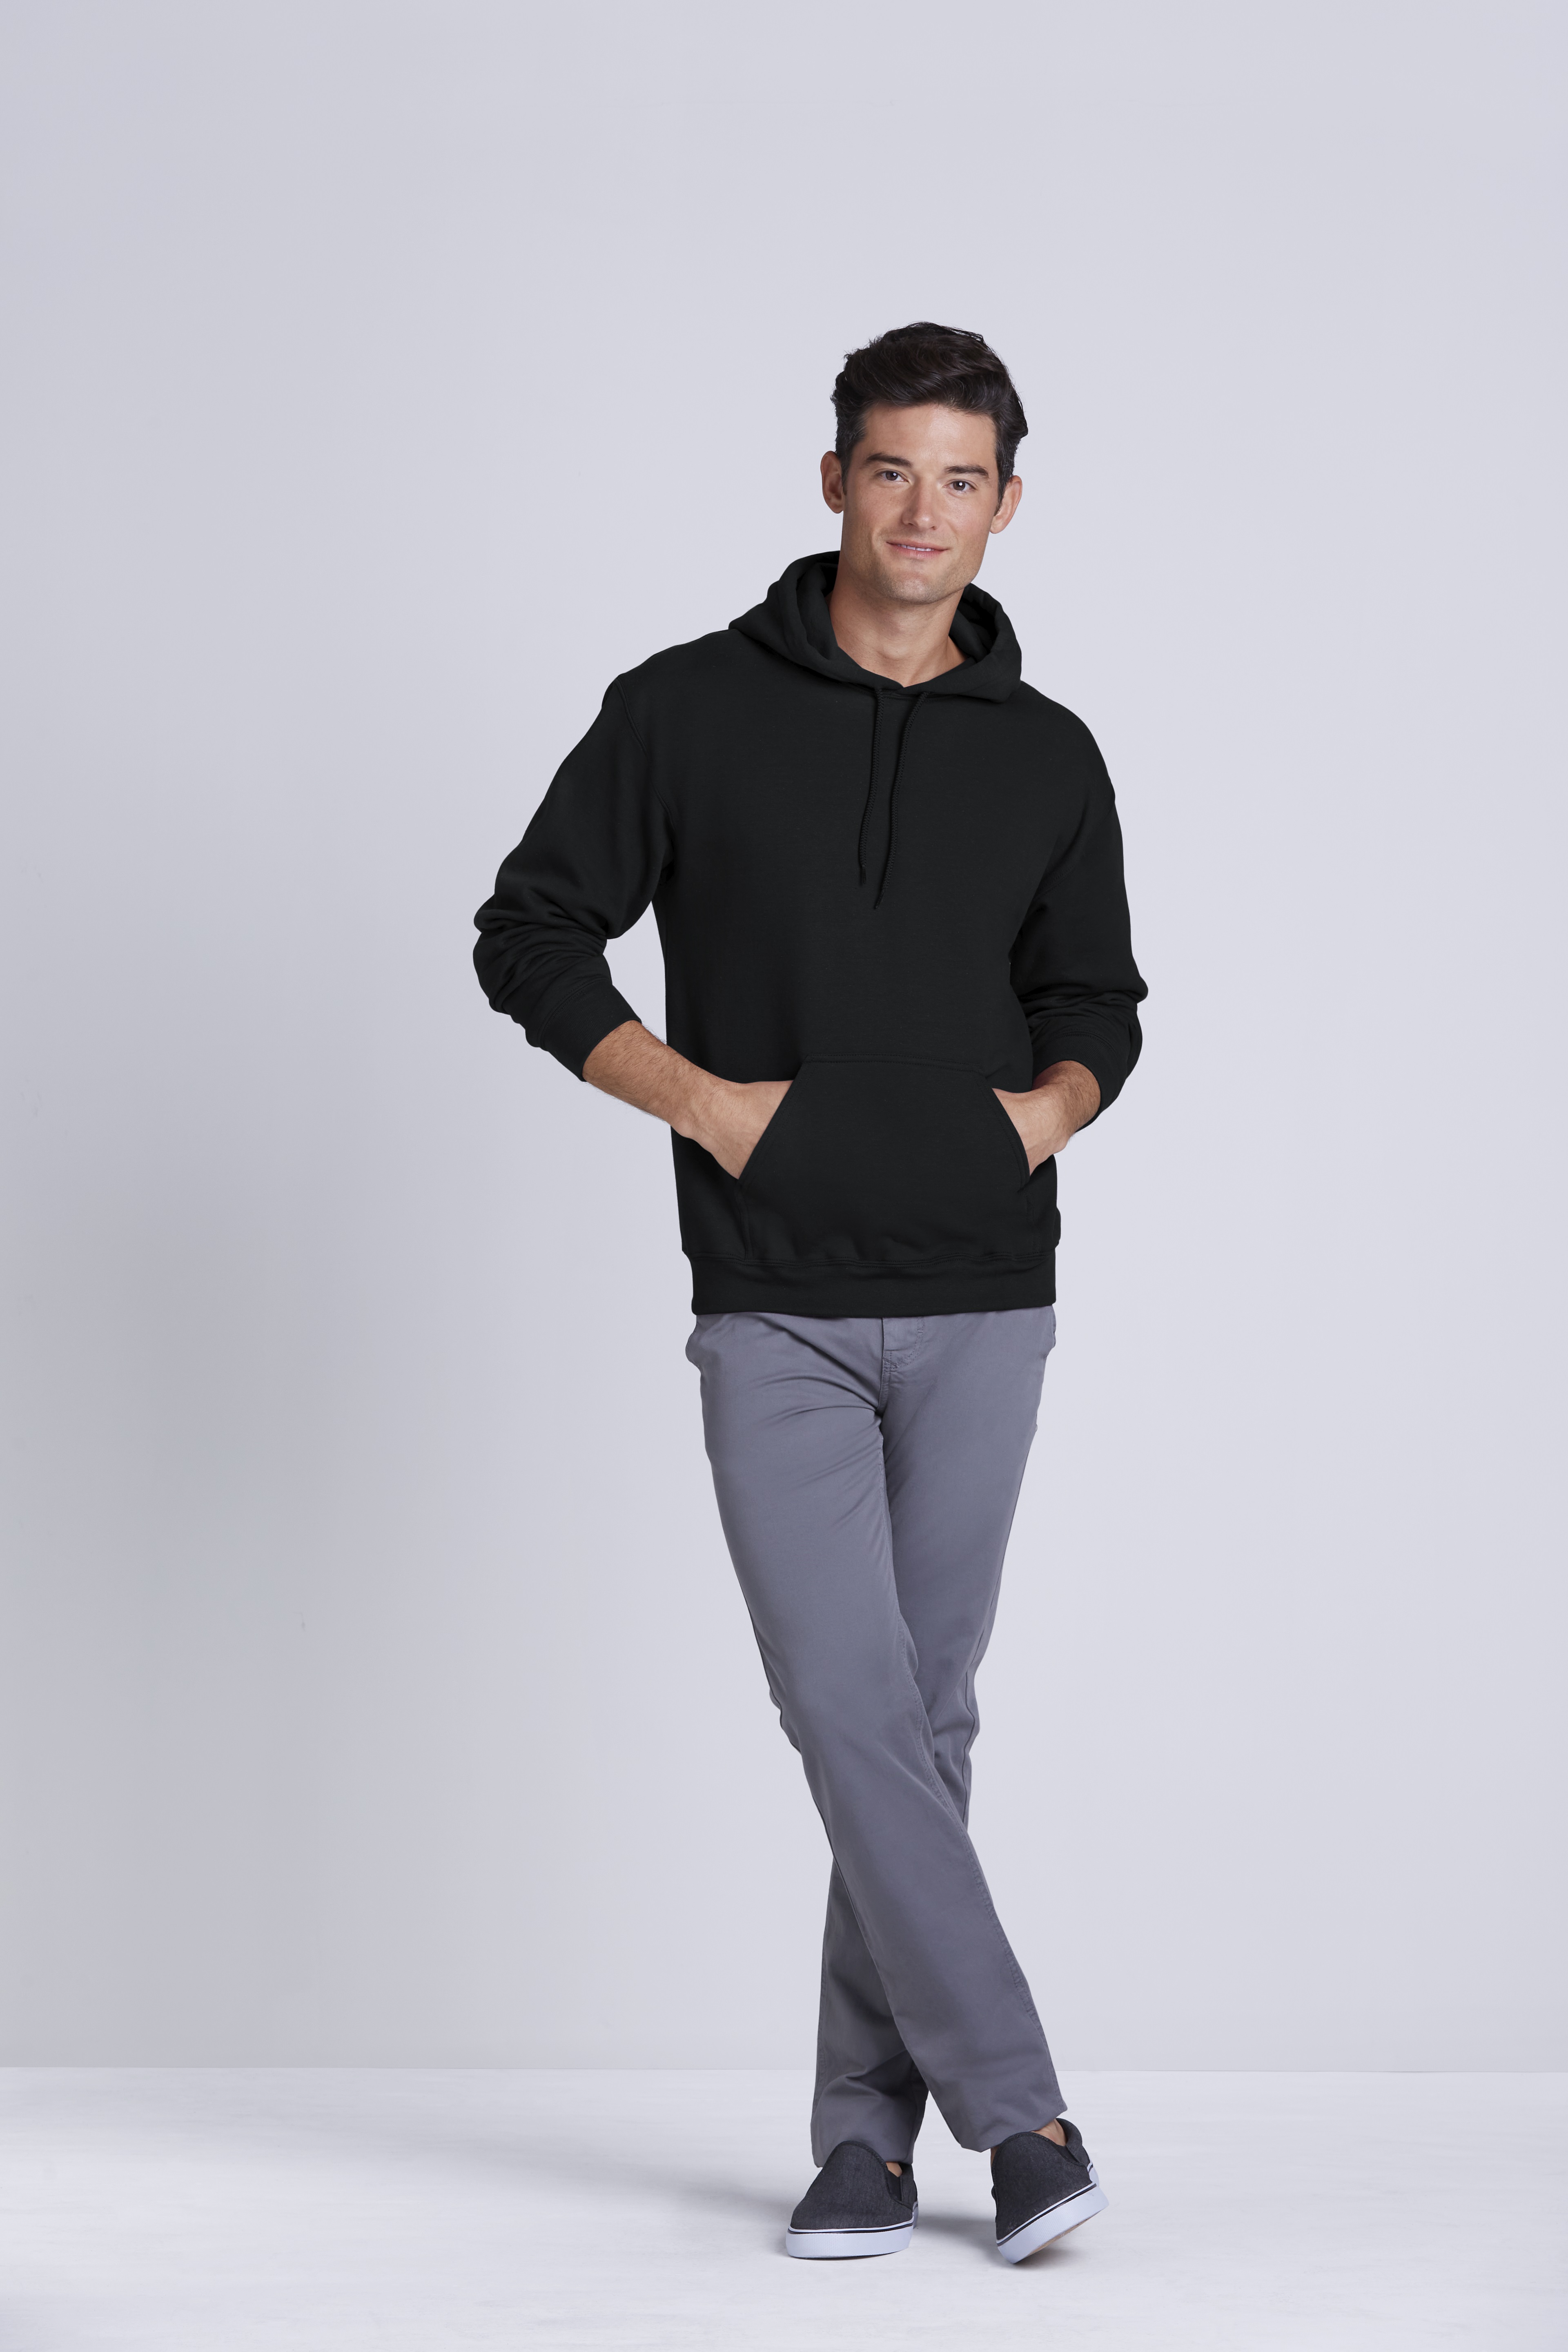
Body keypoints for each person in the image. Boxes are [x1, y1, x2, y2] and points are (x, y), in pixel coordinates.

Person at [474, 321, 1145, 2264]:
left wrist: (1038, 1120)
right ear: (835, 480)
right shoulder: (685, 709)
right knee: (848, 1701)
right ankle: (1022, 2115)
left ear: (1006, 505)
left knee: (920, 1721)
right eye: (891, 469)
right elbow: (530, 934)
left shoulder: (1050, 752)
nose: (924, 511)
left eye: (963, 479)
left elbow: (1097, 1003)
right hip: (768, 1293)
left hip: (987, 1297)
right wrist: (707, 1107)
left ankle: (864, 2148)